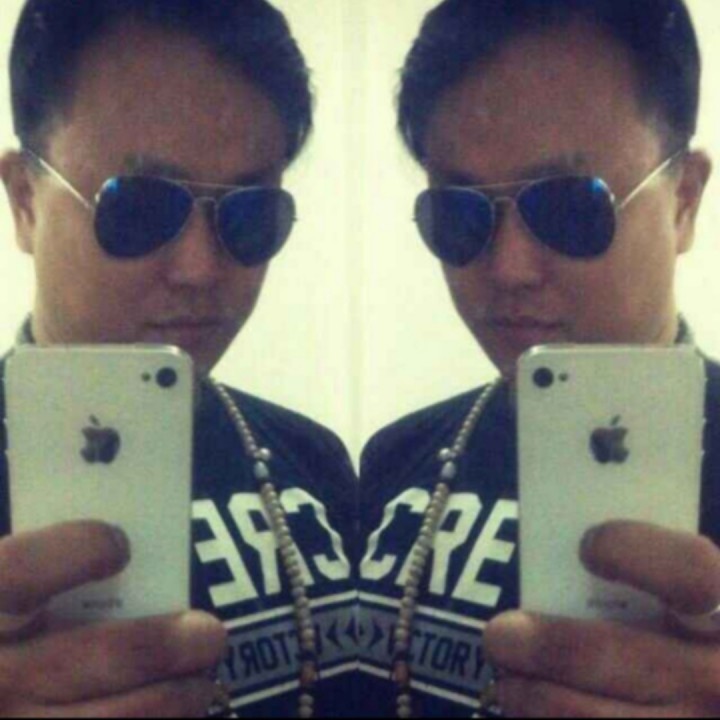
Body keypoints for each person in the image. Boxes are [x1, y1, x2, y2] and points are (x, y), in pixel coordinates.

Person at [358, 0, 720, 717]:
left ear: (682, 200)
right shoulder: (393, 460)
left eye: (569, 208)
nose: (510, 268)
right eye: (460, 215)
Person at [0, 0, 358, 717]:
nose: (200, 268)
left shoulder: (316, 460)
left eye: (249, 215)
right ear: (26, 201)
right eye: (139, 207)